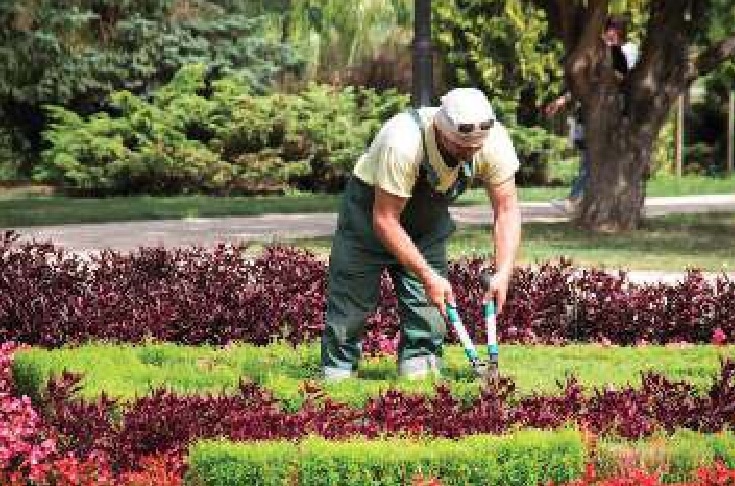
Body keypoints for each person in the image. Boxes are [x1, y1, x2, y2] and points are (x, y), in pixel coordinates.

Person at [321, 87, 522, 381]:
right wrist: (427, 275)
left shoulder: (493, 141)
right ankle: (337, 372)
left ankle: (421, 366)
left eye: (475, 149)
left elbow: (507, 210)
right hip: (369, 218)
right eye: (461, 148)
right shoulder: (402, 142)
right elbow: (385, 219)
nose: (469, 155)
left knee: (429, 309)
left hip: (426, 224)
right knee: (351, 303)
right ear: (441, 131)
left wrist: (503, 272)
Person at [546, 15, 637, 214]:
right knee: (590, 156)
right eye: (608, 28)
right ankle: (583, 201)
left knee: (591, 158)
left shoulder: (627, 51)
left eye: (615, 29)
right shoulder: (602, 54)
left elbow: (622, 77)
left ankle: (574, 200)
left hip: (616, 111)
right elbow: (587, 83)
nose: (610, 33)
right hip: (593, 112)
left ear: (622, 31)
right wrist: (561, 101)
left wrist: (609, 56)